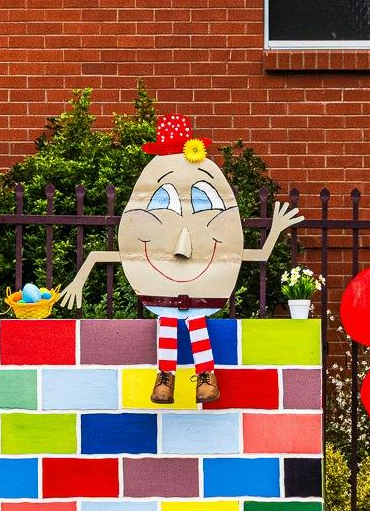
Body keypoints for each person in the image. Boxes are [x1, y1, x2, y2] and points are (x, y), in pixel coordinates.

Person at [58, 114, 303, 404]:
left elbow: (256, 255)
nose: (182, 247)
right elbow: (106, 255)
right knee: (169, 321)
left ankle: (204, 375)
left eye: (204, 200)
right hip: (161, 296)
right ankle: (167, 376)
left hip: (202, 298)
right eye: (162, 200)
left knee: (193, 322)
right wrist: (78, 280)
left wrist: (274, 229)